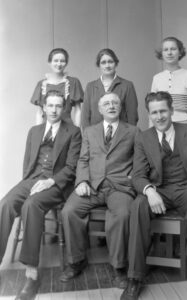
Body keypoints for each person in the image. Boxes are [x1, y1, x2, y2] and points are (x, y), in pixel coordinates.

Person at [121, 91, 187, 300]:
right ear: (149, 115)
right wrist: (149, 191)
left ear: (172, 111)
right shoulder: (143, 138)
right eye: (154, 113)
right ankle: (135, 277)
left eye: (163, 110)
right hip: (158, 189)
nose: (159, 116)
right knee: (137, 206)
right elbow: (137, 175)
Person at [0, 90, 82, 300]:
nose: (54, 110)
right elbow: (28, 162)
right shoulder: (34, 131)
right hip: (32, 179)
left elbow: (72, 167)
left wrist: (51, 181)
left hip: (56, 184)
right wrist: (26, 184)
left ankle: (31, 272)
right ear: (44, 108)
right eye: (50, 106)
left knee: (31, 205)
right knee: (6, 203)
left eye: (58, 106)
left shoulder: (73, 132)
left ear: (63, 108)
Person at [60, 92, 138, 289]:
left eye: (115, 103)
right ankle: (77, 260)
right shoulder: (89, 132)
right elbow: (83, 159)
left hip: (120, 187)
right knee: (69, 211)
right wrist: (81, 182)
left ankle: (119, 267)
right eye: (107, 104)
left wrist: (132, 178)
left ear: (120, 108)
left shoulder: (134, 131)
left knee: (121, 215)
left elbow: (140, 160)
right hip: (92, 185)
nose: (111, 106)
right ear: (100, 109)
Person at [151, 37, 187, 129]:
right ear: (162, 54)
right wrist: (152, 133)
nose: (169, 53)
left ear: (180, 52)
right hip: (162, 128)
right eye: (165, 50)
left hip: (186, 128)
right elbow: (152, 108)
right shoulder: (157, 78)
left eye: (173, 49)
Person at [81, 48, 138, 130]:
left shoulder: (127, 85)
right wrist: (88, 138)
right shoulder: (90, 86)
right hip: (95, 137)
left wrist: (129, 137)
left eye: (110, 62)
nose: (107, 65)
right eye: (103, 62)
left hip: (121, 137)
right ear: (99, 65)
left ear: (116, 63)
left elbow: (132, 116)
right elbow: (85, 117)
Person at [31, 48, 84, 126]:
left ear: (66, 63)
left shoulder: (73, 82)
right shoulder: (42, 84)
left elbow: (78, 110)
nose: (59, 64)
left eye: (62, 61)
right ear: (49, 62)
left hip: (67, 128)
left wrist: (77, 131)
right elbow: (39, 113)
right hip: (46, 127)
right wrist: (38, 132)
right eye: (55, 61)